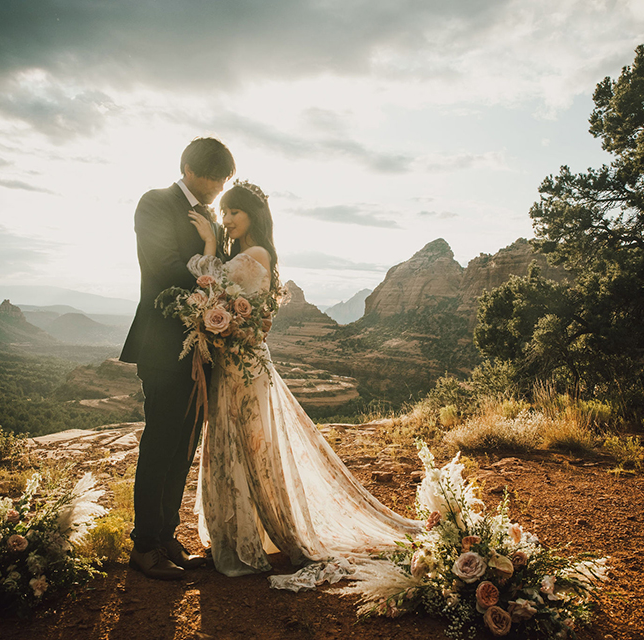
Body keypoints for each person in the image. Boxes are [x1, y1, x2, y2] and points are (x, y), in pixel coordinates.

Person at [187, 180, 422, 583]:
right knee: (241, 446)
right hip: (238, 362)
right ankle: (242, 535)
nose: (226, 221)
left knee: (247, 446)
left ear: (252, 215)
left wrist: (208, 244)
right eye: (223, 214)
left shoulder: (254, 253)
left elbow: (211, 290)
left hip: (243, 366)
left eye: (233, 213)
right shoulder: (254, 253)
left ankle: (248, 538)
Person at [120, 137, 235, 580]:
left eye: (223, 179)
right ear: (188, 168)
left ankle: (166, 535)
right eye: (211, 177)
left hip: (204, 345)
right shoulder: (155, 204)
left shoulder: (213, 218)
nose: (217, 185)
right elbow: (164, 264)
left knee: (184, 445)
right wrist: (209, 252)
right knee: (160, 442)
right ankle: (143, 545)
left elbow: (223, 275)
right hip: (163, 344)